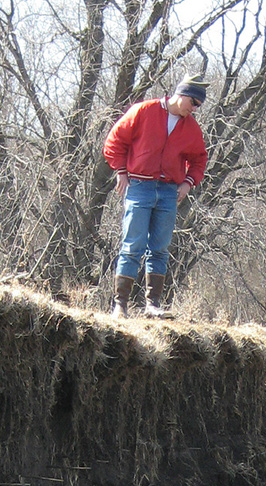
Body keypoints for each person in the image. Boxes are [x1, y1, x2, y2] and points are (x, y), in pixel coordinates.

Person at [102, 75, 209, 317]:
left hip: (169, 191)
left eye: (197, 106)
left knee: (159, 249)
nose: (194, 109)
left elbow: (200, 159)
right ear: (181, 94)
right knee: (132, 246)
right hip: (140, 186)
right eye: (193, 103)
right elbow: (114, 141)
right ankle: (120, 305)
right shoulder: (144, 111)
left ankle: (153, 305)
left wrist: (189, 182)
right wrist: (121, 171)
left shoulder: (191, 127)